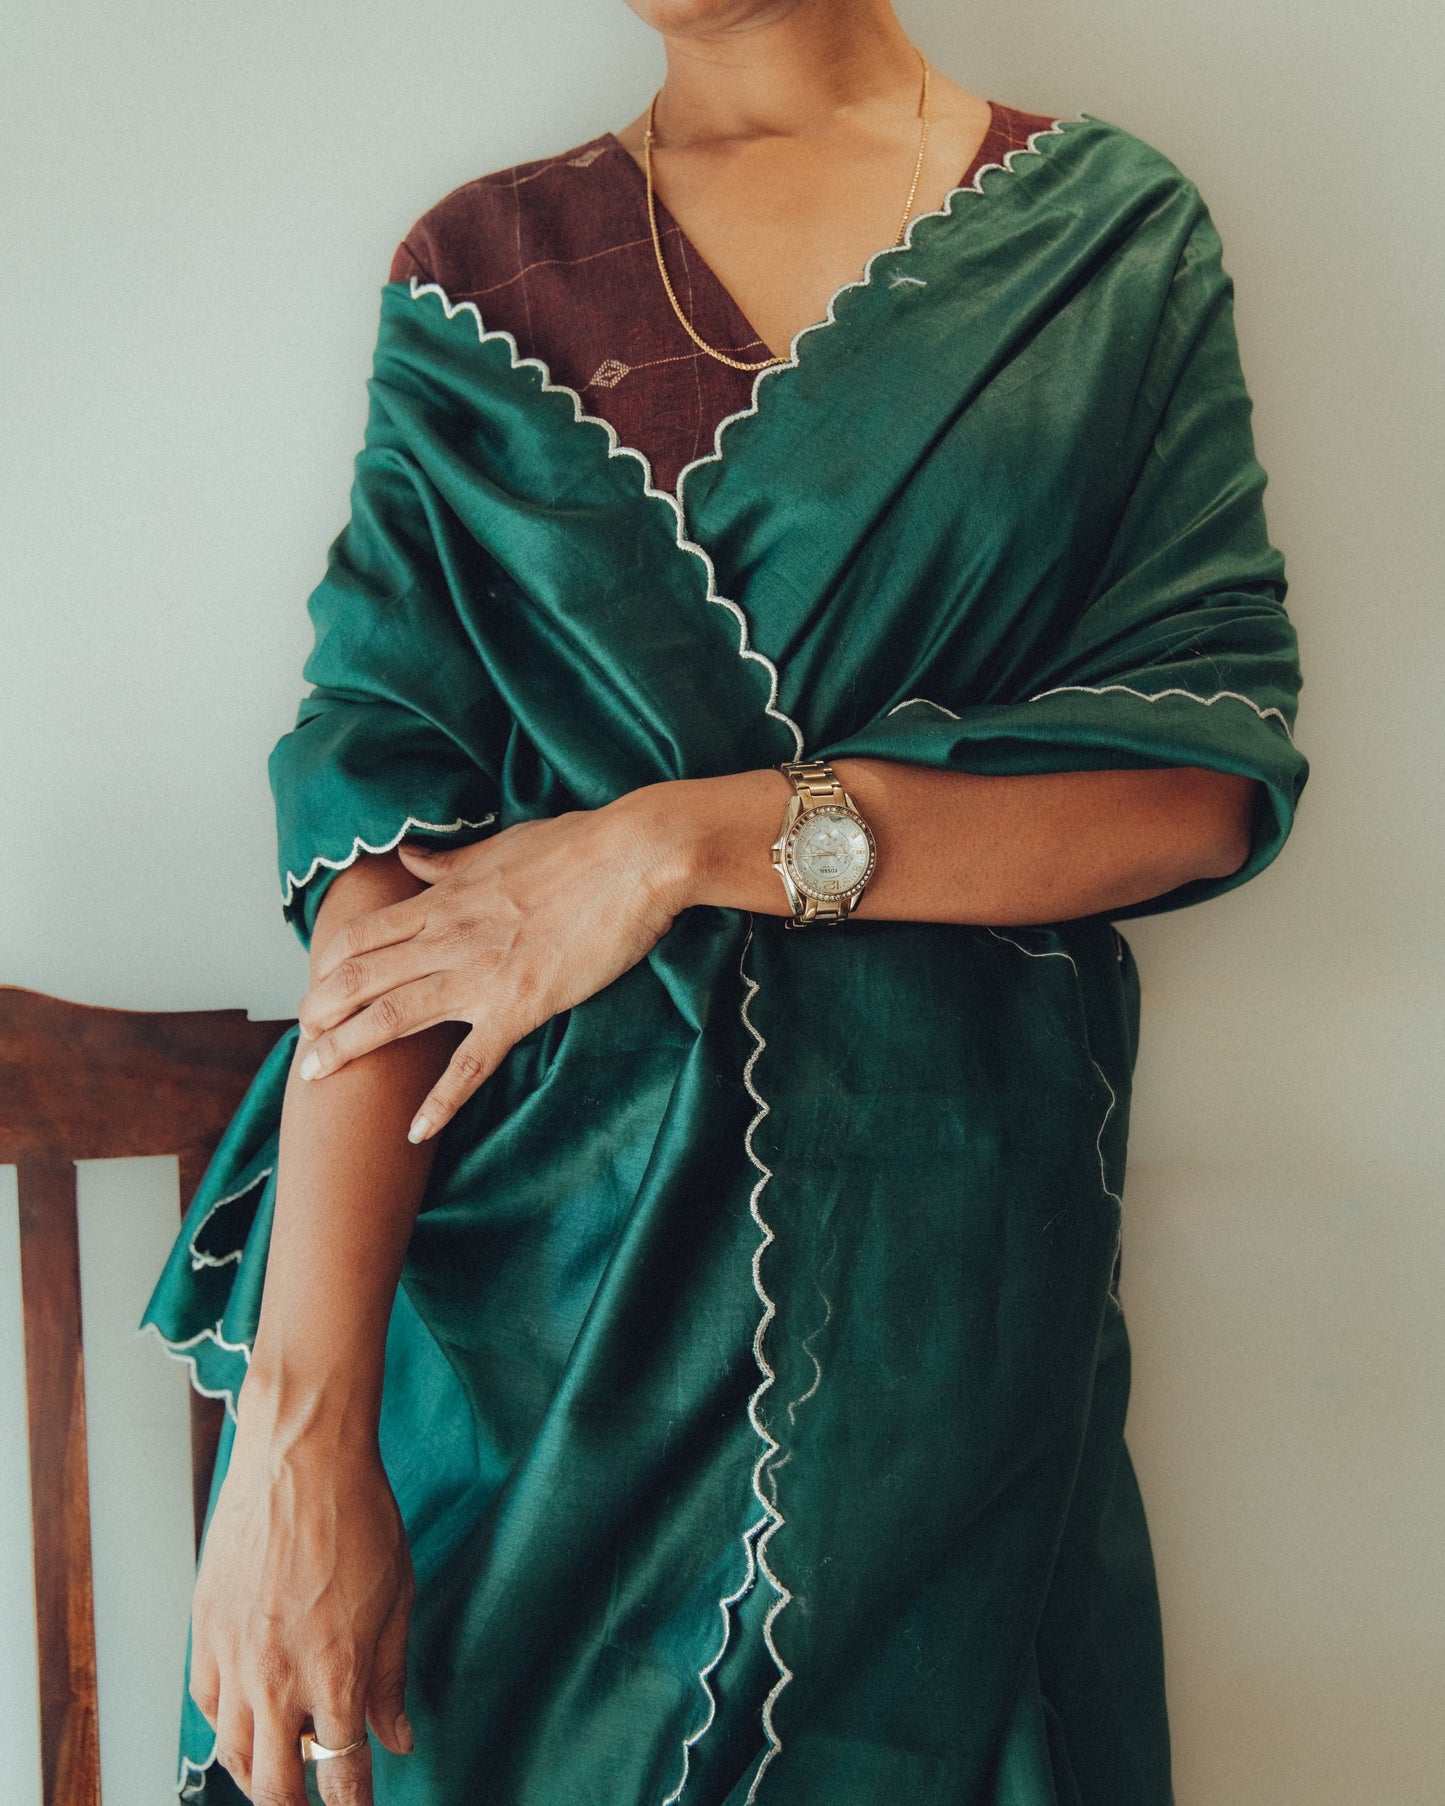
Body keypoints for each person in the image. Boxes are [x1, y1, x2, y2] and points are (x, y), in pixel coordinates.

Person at [143, 2, 1308, 1802]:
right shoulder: (478, 279)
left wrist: (676, 843)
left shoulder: (1102, 243)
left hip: (941, 1315)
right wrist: (302, 1432)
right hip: (526, 1322)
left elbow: (1194, 785)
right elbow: (377, 864)